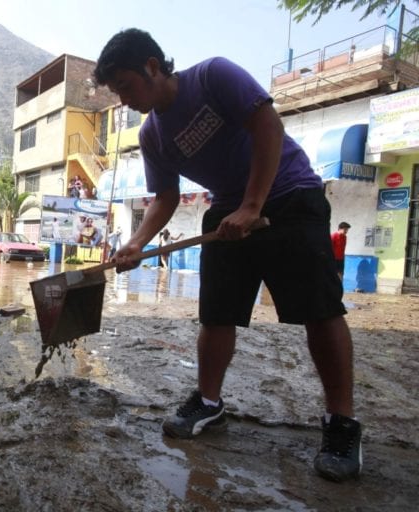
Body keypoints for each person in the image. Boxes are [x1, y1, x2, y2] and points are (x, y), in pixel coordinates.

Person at [94, 28, 360, 482]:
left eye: (126, 85)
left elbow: (268, 127)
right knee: (216, 316)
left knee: (320, 311)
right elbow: (164, 197)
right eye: (117, 91)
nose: (124, 99)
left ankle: (342, 423)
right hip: (228, 212)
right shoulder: (152, 135)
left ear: (153, 67)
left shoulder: (213, 76)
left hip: (289, 196)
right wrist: (137, 242)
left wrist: (253, 205)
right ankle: (210, 402)